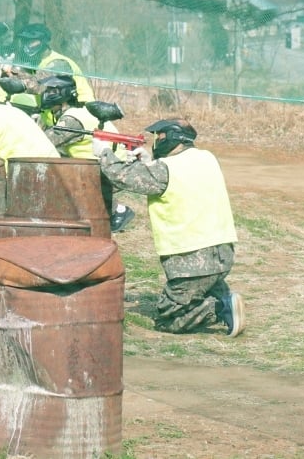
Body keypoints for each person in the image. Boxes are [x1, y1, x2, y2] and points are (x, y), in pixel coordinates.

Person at [93, 118, 246, 337]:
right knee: (202, 285)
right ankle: (219, 293)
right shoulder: (207, 158)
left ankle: (221, 307)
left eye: (159, 137)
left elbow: (122, 177)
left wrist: (104, 153)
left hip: (193, 259)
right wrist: (149, 161)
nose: (156, 141)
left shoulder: (166, 170)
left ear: (172, 138)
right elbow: (172, 175)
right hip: (223, 252)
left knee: (169, 318)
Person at [38, 74, 135, 233]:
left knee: (56, 173)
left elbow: (43, 143)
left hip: (109, 169)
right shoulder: (79, 111)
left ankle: (116, 211)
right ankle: (113, 210)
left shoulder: (72, 119)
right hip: (111, 163)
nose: (46, 94)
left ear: (62, 95)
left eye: (51, 91)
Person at [0, 23, 95, 107]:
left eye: (31, 41)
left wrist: (14, 78)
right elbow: (31, 77)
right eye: (24, 41)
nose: (26, 45)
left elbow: (37, 85)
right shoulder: (36, 62)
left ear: (43, 42)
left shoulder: (58, 62)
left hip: (80, 112)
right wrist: (9, 71)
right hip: (57, 115)